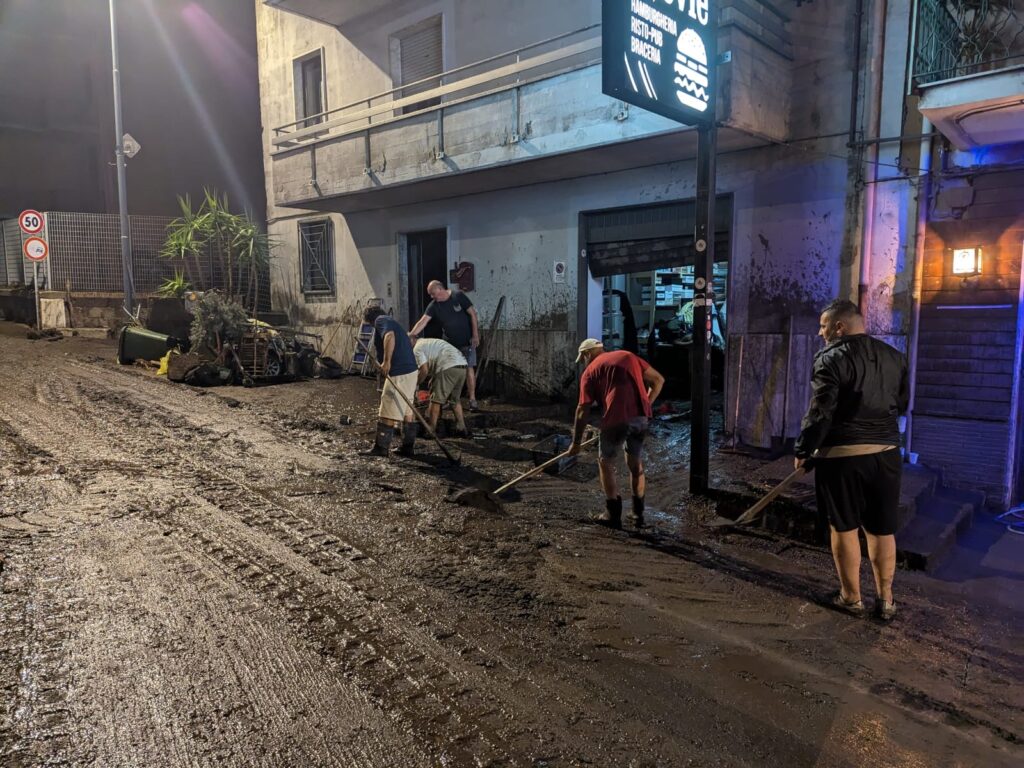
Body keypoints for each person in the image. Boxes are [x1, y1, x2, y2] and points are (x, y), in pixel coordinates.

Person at [794, 299, 909, 622]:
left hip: (843, 456)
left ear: (839, 327)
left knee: (843, 527)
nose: (820, 333)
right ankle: (886, 600)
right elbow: (901, 404)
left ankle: (851, 597)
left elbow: (821, 411)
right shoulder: (895, 357)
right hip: (887, 454)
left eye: (823, 326)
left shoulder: (830, 358)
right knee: (882, 529)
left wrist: (804, 449)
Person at [568, 338, 665, 529]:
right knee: (635, 464)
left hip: (616, 420)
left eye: (584, 358)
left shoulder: (590, 371)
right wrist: (646, 404)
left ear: (587, 354)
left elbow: (582, 409)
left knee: (605, 462)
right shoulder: (628, 355)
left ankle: (612, 515)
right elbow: (658, 380)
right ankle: (638, 514)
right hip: (640, 419)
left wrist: (576, 442)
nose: (585, 362)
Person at [409, 281, 481, 411]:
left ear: (439, 289)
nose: (431, 296)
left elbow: (473, 314)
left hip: (466, 341)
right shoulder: (434, 306)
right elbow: (423, 321)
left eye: (432, 293)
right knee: (447, 370)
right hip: (449, 345)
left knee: (469, 368)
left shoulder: (458, 296)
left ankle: (472, 399)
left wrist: (475, 334)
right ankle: (450, 400)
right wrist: (411, 335)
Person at [362, 306, 419, 457]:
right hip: (411, 370)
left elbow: (389, 337)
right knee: (407, 409)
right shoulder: (391, 321)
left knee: (387, 407)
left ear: (370, 320)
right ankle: (407, 447)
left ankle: (381, 448)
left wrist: (386, 362)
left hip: (399, 372)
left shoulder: (381, 321)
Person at [413, 337, 470, 438]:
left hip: (448, 366)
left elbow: (424, 370)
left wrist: (415, 384)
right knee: (455, 400)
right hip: (462, 366)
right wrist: (434, 377)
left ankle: (431, 430)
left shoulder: (417, 348)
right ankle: (461, 428)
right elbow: (436, 358)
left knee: (436, 400)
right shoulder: (428, 342)